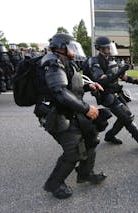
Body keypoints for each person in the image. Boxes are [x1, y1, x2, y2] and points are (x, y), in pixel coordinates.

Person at [34, 33, 108, 199]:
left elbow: (72, 84)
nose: (74, 50)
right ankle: (54, 184)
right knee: (73, 150)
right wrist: (86, 108)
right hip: (55, 114)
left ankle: (85, 173)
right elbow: (60, 92)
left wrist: (90, 86)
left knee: (91, 137)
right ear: (61, 47)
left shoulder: (64, 61)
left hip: (68, 110)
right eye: (71, 46)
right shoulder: (52, 63)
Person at [88, 36, 138, 146]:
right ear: (100, 48)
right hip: (106, 95)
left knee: (127, 116)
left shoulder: (110, 60)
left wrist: (137, 81)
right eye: (107, 48)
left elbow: (123, 76)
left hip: (116, 92)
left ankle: (109, 136)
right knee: (126, 117)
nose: (109, 50)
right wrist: (119, 71)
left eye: (110, 48)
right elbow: (101, 81)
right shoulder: (94, 62)